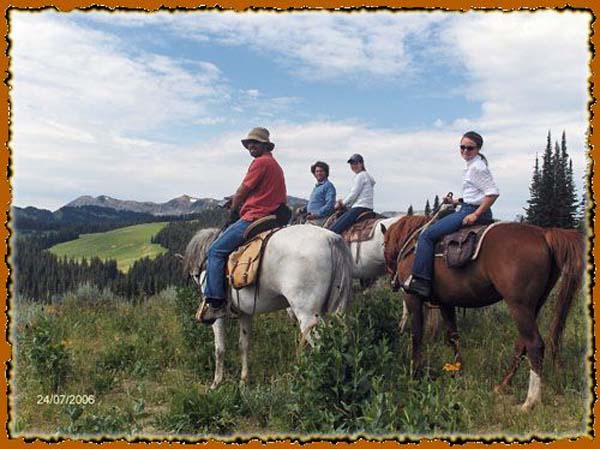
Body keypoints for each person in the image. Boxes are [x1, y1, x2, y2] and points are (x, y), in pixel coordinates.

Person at [200, 127, 287, 323]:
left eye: (255, 143)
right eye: (249, 144)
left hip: (255, 216)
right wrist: (235, 198)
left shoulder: (259, 163)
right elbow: (258, 191)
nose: (251, 147)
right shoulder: (274, 165)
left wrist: (234, 206)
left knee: (215, 251)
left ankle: (216, 303)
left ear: (265, 145)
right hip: (272, 215)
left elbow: (243, 190)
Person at [403, 131, 500, 298]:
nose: (465, 151)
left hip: (470, 211)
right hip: (466, 206)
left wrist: (475, 215)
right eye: (462, 147)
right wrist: (455, 201)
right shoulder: (473, 165)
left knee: (427, 235)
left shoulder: (477, 167)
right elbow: (476, 195)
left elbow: (492, 194)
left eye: (469, 148)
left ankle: (421, 281)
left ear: (478, 149)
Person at [329, 153, 375, 235]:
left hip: (359, 207)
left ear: (361, 164)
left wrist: (342, 203)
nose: (353, 166)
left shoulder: (360, 176)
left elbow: (353, 194)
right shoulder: (367, 176)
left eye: (356, 163)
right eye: (352, 164)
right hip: (368, 208)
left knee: (333, 230)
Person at [306, 161, 336, 226]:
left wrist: (316, 214)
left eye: (321, 171)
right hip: (311, 218)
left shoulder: (328, 186)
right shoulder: (317, 187)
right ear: (314, 174)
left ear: (326, 173)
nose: (319, 173)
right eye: (317, 171)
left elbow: (330, 204)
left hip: (320, 219)